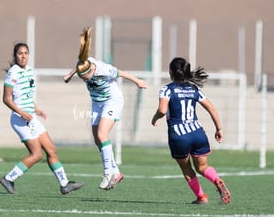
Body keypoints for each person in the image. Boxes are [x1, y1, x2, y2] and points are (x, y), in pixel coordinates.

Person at [64, 27, 147, 190]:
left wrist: (137, 81)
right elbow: (79, 64)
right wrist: (70, 74)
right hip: (97, 102)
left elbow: (121, 73)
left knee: (102, 135)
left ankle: (109, 172)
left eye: (85, 77)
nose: (84, 80)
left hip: (112, 101)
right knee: (97, 139)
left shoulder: (103, 69)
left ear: (92, 70)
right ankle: (116, 171)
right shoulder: (83, 64)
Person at [0, 42, 84, 195]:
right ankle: (8, 179)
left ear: (29, 55)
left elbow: (27, 95)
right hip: (19, 119)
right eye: (20, 53)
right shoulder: (13, 72)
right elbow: (6, 99)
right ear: (15, 56)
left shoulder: (30, 71)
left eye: (26, 53)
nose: (23, 56)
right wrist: (21, 112)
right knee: (37, 155)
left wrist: (36, 109)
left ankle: (64, 184)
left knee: (51, 149)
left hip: (30, 118)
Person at [151, 57, 231, 205]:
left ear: (170, 71)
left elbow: (162, 110)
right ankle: (216, 180)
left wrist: (154, 118)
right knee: (202, 167)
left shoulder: (167, 89)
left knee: (187, 169)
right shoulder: (194, 88)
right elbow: (211, 108)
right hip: (198, 133)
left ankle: (202, 197)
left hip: (179, 135)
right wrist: (219, 129)